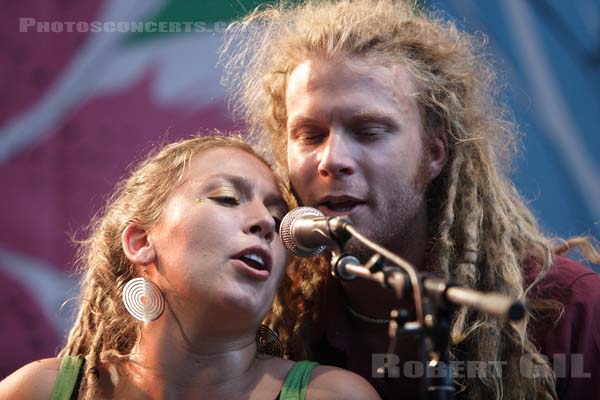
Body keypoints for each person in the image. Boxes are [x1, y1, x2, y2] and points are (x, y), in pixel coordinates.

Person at [221, 1, 600, 399]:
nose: (332, 161)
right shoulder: (272, 309)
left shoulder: (568, 312)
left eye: (368, 131)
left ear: (434, 154)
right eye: (310, 136)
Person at [0, 134, 381, 400]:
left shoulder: (332, 395)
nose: (265, 223)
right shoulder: (39, 391)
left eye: (278, 216)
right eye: (228, 198)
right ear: (141, 242)